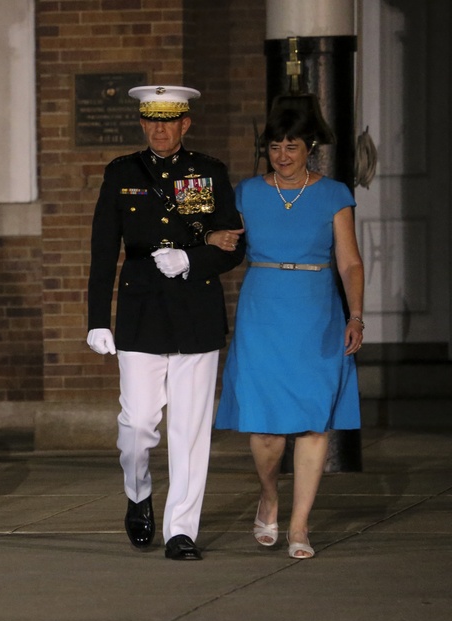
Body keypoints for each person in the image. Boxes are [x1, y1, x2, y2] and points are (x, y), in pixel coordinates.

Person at [86, 86, 245, 560]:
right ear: (142, 123)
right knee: (137, 424)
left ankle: (181, 530)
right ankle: (139, 493)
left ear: (185, 124)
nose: (159, 129)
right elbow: (102, 252)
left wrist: (193, 261)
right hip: (140, 310)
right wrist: (96, 319)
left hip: (195, 310)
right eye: (150, 120)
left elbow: (235, 245)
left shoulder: (209, 172)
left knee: (190, 430)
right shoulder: (121, 173)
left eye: (169, 120)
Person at [214, 104, 364, 560]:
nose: (282, 154)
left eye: (291, 146)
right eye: (274, 146)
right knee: (264, 431)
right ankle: (269, 496)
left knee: (313, 424)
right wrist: (207, 240)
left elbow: (350, 262)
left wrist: (355, 315)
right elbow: (222, 242)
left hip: (317, 311)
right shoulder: (247, 193)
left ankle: (298, 526)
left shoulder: (334, 194)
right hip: (263, 308)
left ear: (309, 148)